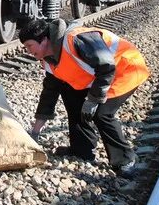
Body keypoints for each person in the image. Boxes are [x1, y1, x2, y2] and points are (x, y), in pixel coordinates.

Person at [18, 18, 150, 177]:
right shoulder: (48, 61)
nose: (28, 51)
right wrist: (35, 131)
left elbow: (106, 67)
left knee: (102, 114)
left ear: (44, 40)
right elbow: (49, 94)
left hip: (126, 69)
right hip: (99, 78)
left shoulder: (76, 39)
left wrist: (93, 99)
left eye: (29, 46)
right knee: (69, 95)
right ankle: (82, 149)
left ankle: (125, 160)